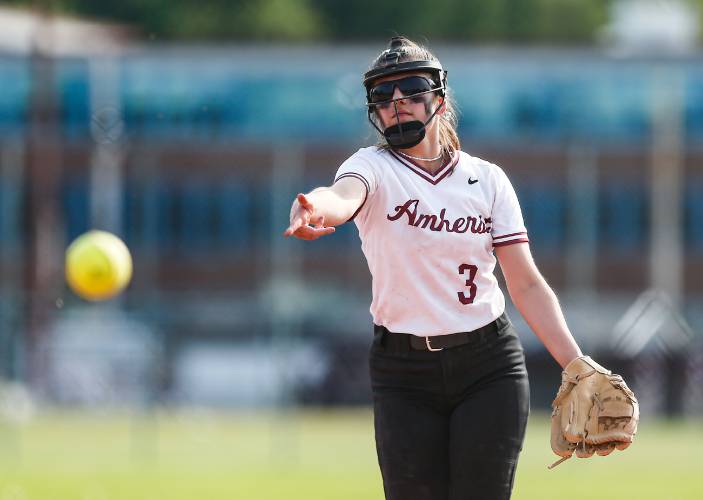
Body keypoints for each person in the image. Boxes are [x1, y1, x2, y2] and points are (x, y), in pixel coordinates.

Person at [283, 36, 583, 500]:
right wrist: (313, 207)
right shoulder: (373, 167)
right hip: (403, 371)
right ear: (374, 111)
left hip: (488, 365)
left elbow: (524, 282)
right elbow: (340, 196)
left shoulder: (486, 179)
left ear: (439, 100)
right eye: (383, 96)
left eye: (411, 89)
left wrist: (575, 364)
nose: (397, 102)